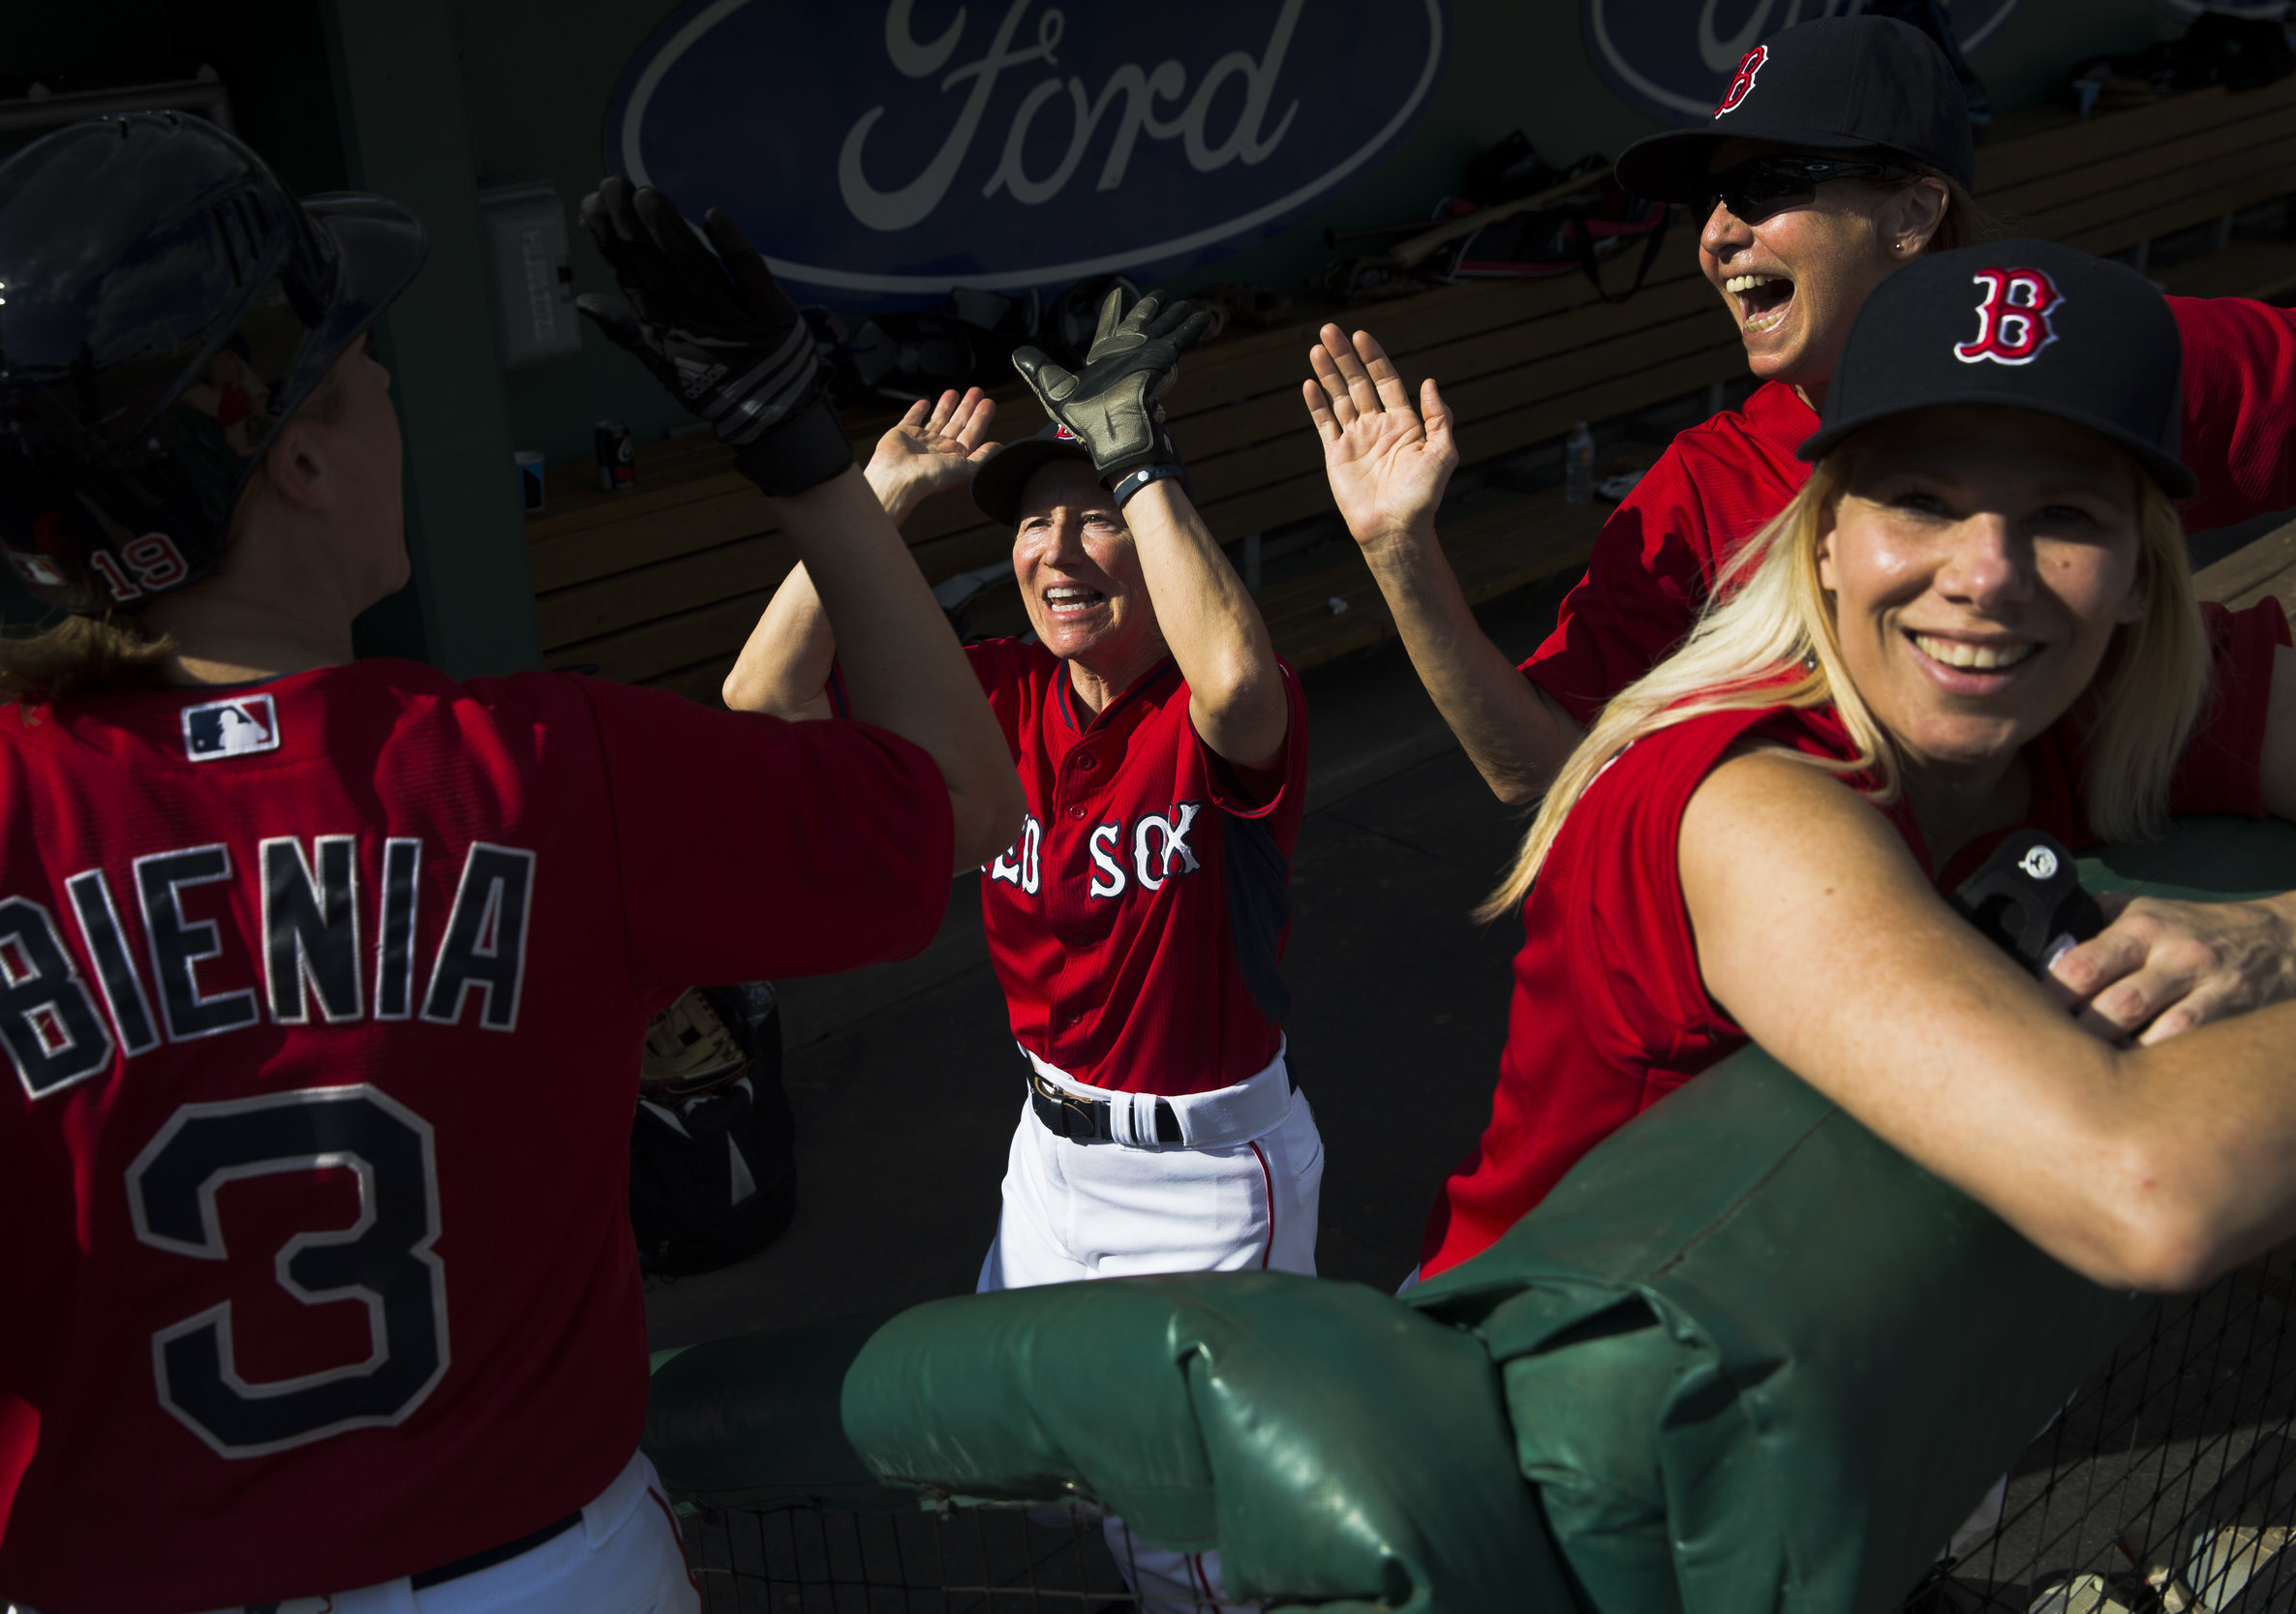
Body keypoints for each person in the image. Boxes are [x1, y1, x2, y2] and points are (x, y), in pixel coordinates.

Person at [0, 116, 1018, 1614]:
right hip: (545, 1574)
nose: (391, 390)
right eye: (357, 372)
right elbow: (960, 796)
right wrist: (808, 461)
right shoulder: (545, 772)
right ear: (290, 456)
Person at [1312, 12, 2296, 1043]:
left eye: (1770, 184)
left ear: (1914, 209)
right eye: (1710, 199)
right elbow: (1544, 768)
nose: (1716, 233)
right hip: (1835, 1009)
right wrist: (1399, 554)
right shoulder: (1708, 484)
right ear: (1821, 540)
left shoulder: (2091, 353)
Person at [1377, 239, 2296, 1293]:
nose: (1986, 577)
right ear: (1820, 538)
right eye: (1920, 499)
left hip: (1882, 1361)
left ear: (2139, 571)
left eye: (2064, 514)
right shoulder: (1739, 800)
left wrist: (2279, 933)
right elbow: (2140, 1194)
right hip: (1566, 1405)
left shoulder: (2097, 693)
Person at [723, 290, 1318, 1612]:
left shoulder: (1209, 710)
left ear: (1158, 540)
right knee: (1048, 1450)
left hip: (1209, 1175)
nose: (1055, 546)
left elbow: (1234, 684)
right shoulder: (996, 691)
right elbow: (762, 702)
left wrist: (1143, 457)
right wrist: (870, 497)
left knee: (1197, 1530)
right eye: (1032, 519)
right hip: (1047, 1161)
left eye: (1090, 508)